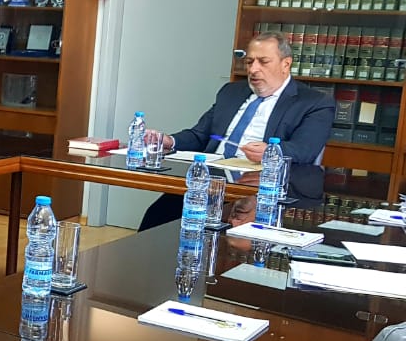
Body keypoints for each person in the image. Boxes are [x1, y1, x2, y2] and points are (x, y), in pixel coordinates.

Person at [137, 31, 335, 230]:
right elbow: (201, 135)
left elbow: (305, 150)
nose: (253, 69)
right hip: (210, 180)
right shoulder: (231, 92)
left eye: (263, 62)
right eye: (249, 62)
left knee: (219, 228)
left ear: (286, 64)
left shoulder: (314, 102)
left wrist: (270, 152)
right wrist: (170, 141)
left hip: (259, 188)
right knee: (156, 217)